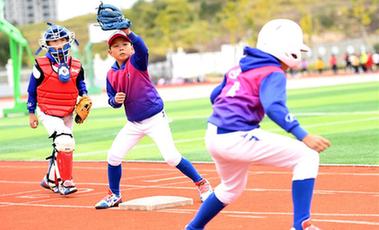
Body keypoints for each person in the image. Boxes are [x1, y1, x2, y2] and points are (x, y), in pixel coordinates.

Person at [185, 19, 331, 230]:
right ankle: (300, 225)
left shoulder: (238, 68)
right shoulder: (272, 71)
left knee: (230, 189)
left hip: (214, 135)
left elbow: (215, 96)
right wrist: (303, 135)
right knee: (307, 156)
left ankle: (193, 228)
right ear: (287, 49)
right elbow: (274, 107)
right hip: (236, 137)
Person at [94, 28, 212, 208]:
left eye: (125, 44)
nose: (122, 48)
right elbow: (112, 100)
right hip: (134, 123)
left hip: (155, 119)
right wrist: (114, 100)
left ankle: (202, 184)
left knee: (171, 157)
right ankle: (114, 195)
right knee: (113, 156)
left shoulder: (137, 62)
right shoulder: (110, 74)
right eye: (116, 46)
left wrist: (128, 31)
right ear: (110, 52)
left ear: (132, 48)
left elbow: (144, 49)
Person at [27, 23, 89, 195]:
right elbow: (32, 89)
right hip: (47, 110)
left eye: (61, 40)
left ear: (69, 40)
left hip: (68, 110)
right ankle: (66, 182)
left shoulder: (76, 64)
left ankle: (50, 179)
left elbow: (80, 83)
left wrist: (84, 96)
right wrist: (31, 112)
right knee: (65, 142)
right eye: (54, 41)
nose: (58, 44)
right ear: (46, 44)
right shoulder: (40, 64)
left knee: (61, 146)